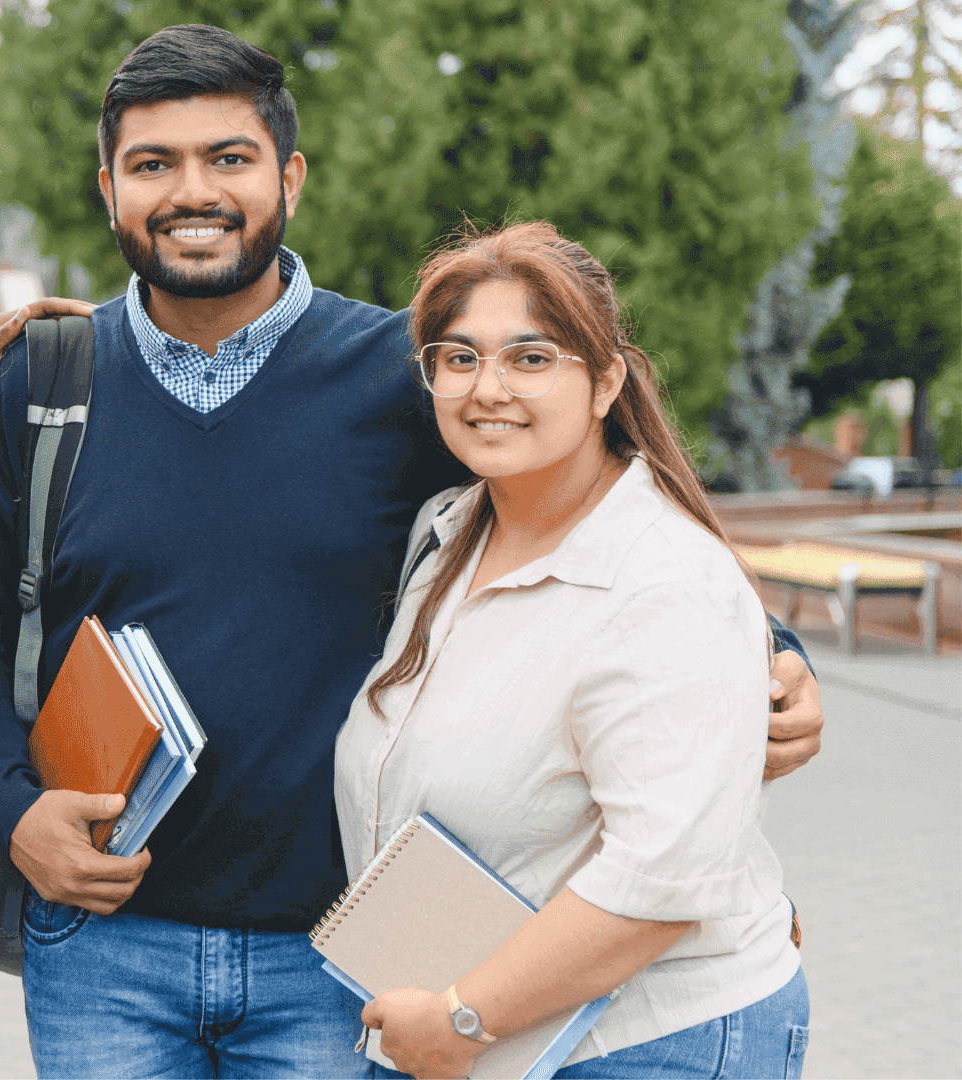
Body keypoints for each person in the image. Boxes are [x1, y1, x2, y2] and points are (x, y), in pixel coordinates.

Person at [0, 24, 827, 1079]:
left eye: (227, 159)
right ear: (110, 189)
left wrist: (772, 650)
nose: (192, 190)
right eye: (154, 164)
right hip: (102, 951)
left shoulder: (409, 375)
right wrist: (11, 812)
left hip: (344, 960)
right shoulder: (46, 386)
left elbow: (587, 504)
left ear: (288, 177)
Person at [342, 221, 807, 1079]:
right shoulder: (445, 535)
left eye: (531, 357)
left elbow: (662, 883)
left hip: (642, 1044)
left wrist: (463, 1018)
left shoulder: (665, 586)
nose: (489, 388)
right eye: (459, 357)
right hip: (480, 1029)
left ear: (604, 384)